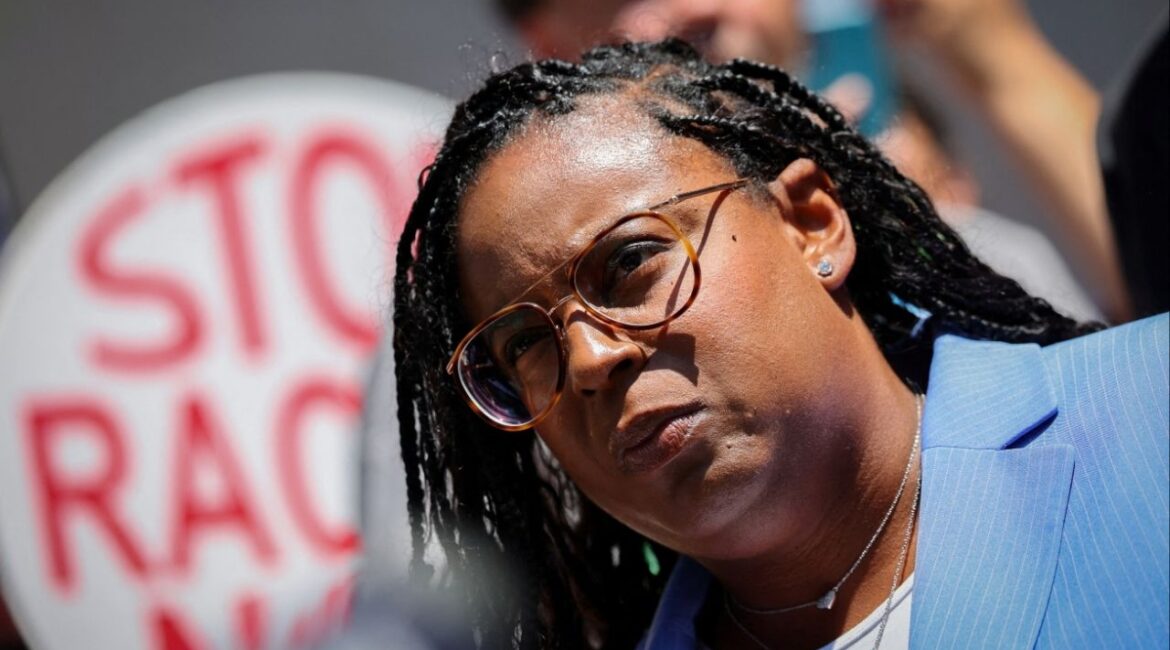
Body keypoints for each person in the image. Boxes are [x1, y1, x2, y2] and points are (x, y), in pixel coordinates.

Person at [391, 40, 1168, 649]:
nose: (592, 359)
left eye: (629, 262)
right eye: (525, 340)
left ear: (811, 224)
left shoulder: (1150, 412)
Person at [497, 0, 1133, 323]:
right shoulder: (539, 306)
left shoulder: (989, 254)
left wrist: (995, 56)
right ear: (546, 43)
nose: (694, 10)